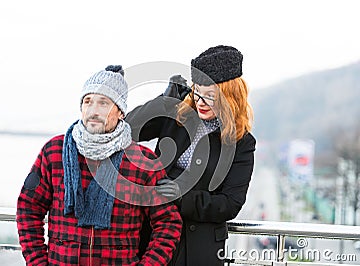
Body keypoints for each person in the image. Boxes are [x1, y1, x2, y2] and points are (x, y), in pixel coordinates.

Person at [16, 65, 182, 265]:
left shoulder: (141, 161)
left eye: (103, 103)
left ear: (120, 112)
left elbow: (167, 223)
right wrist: (38, 262)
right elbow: (28, 207)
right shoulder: (54, 152)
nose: (93, 111)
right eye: (88, 102)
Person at [126, 45, 256, 265]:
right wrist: (163, 101)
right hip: (154, 237)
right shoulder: (178, 115)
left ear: (230, 97)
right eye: (198, 93)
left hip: (200, 249)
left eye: (210, 96)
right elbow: (128, 129)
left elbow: (230, 204)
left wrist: (181, 197)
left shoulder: (242, 143)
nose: (201, 102)